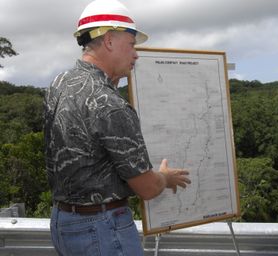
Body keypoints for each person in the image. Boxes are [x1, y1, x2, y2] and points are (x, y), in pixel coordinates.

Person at [43, 0, 191, 255]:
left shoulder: (59, 83)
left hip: (62, 221)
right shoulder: (110, 104)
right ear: (109, 40)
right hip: (102, 228)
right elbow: (146, 188)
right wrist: (165, 178)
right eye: (132, 45)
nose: (136, 54)